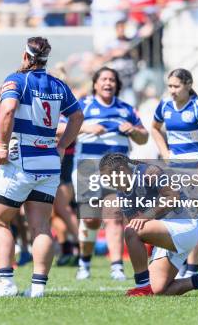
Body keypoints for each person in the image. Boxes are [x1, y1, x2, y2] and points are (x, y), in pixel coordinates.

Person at [0, 36, 84, 298]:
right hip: (49, 160)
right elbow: (77, 116)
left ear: (25, 56)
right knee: (41, 226)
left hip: (20, 159)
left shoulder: (16, 80)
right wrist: (62, 146)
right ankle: (38, 287)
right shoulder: (58, 85)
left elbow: (7, 111)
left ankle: (6, 283)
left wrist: (2, 146)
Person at [95, 153, 198, 297]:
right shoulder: (121, 193)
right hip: (167, 232)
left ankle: (142, 287)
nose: (107, 183)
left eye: (107, 178)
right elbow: (135, 222)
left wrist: (146, 216)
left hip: (186, 224)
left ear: (121, 170)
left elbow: (172, 197)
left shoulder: (149, 172)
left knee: (131, 231)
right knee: (159, 290)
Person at [74, 67, 148, 282]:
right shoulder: (83, 105)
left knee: (114, 216)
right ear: (95, 83)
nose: (108, 83)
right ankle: (84, 262)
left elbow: (144, 137)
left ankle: (117, 266)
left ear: (117, 84)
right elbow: (61, 128)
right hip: (88, 167)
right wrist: (86, 128)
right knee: (90, 220)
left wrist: (134, 131)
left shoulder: (126, 109)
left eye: (112, 80)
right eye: (104, 79)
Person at [151, 68, 198, 279]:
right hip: (174, 167)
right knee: (174, 216)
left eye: (176, 86)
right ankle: (176, 267)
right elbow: (154, 128)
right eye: (170, 86)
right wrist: (165, 152)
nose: (172, 90)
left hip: (194, 165)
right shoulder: (165, 105)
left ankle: (192, 270)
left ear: (188, 85)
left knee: (194, 218)